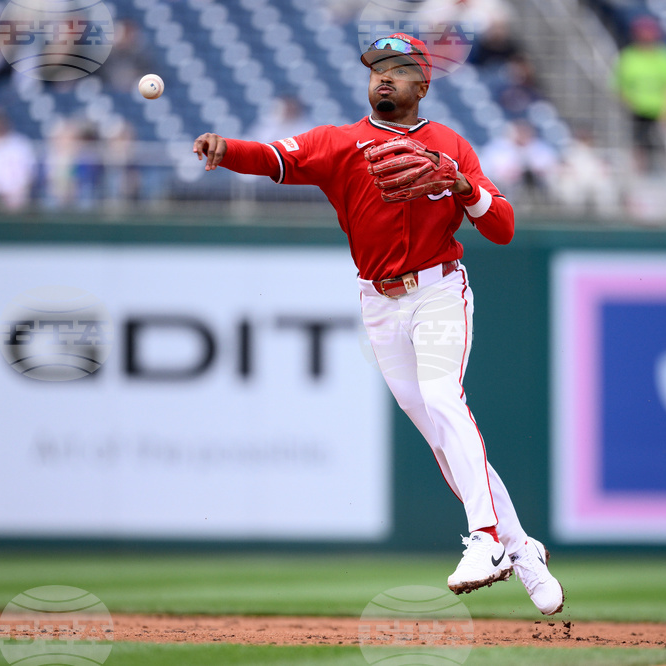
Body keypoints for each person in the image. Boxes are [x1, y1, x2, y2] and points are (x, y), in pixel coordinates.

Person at [192, 33, 564, 616]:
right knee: (444, 440)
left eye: (397, 68)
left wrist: (464, 187)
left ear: (423, 83)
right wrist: (224, 149)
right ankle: (521, 549)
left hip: (440, 289)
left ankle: (487, 541)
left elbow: (504, 226)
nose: (383, 78)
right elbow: (272, 158)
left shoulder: (450, 146)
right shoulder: (339, 144)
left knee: (445, 400)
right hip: (379, 303)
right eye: (375, 69)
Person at [613, 15, 666, 172]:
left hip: (663, 115)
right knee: (638, 150)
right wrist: (630, 106)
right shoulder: (628, 57)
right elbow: (619, 88)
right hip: (636, 114)